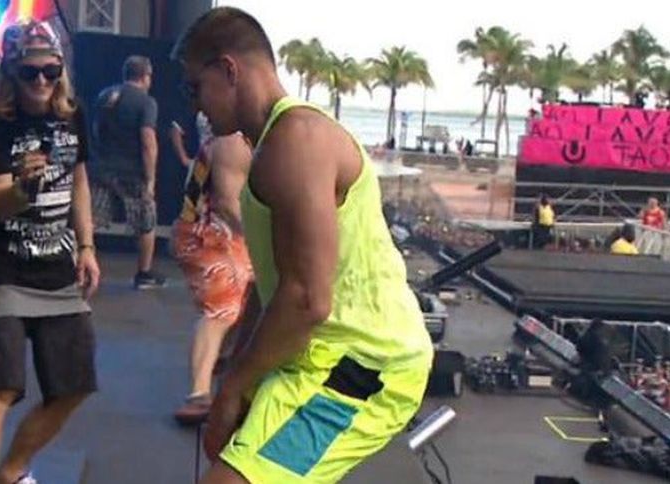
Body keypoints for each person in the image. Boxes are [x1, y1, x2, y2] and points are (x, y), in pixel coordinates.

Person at [172, 7, 433, 483]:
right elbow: (270, 281)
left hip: (362, 365)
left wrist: (231, 391)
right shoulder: (269, 145)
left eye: (196, 88)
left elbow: (308, 298)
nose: (196, 107)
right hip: (312, 353)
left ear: (228, 70)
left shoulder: (297, 140)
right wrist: (237, 371)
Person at [0, 21, 100, 484]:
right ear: (11, 72)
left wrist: (86, 245)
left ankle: (12, 470)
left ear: (61, 70)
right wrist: (24, 188)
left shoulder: (71, 114)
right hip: (2, 267)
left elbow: (79, 181)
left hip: (56, 267)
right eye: (30, 72)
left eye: (50, 71)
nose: (41, 81)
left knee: (74, 384)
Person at [169, 113, 254, 424]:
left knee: (249, 298)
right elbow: (229, 204)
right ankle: (198, 394)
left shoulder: (238, 141)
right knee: (221, 310)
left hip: (224, 235)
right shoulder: (232, 143)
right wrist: (264, 241)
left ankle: (222, 359)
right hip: (205, 235)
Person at [93, 55, 166, 289]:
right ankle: (144, 274)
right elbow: (148, 141)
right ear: (146, 76)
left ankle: (76, 267)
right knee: (146, 222)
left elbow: (96, 129)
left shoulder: (105, 96)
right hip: (133, 173)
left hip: (103, 169)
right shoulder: (146, 102)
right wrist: (151, 179)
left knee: (91, 219)